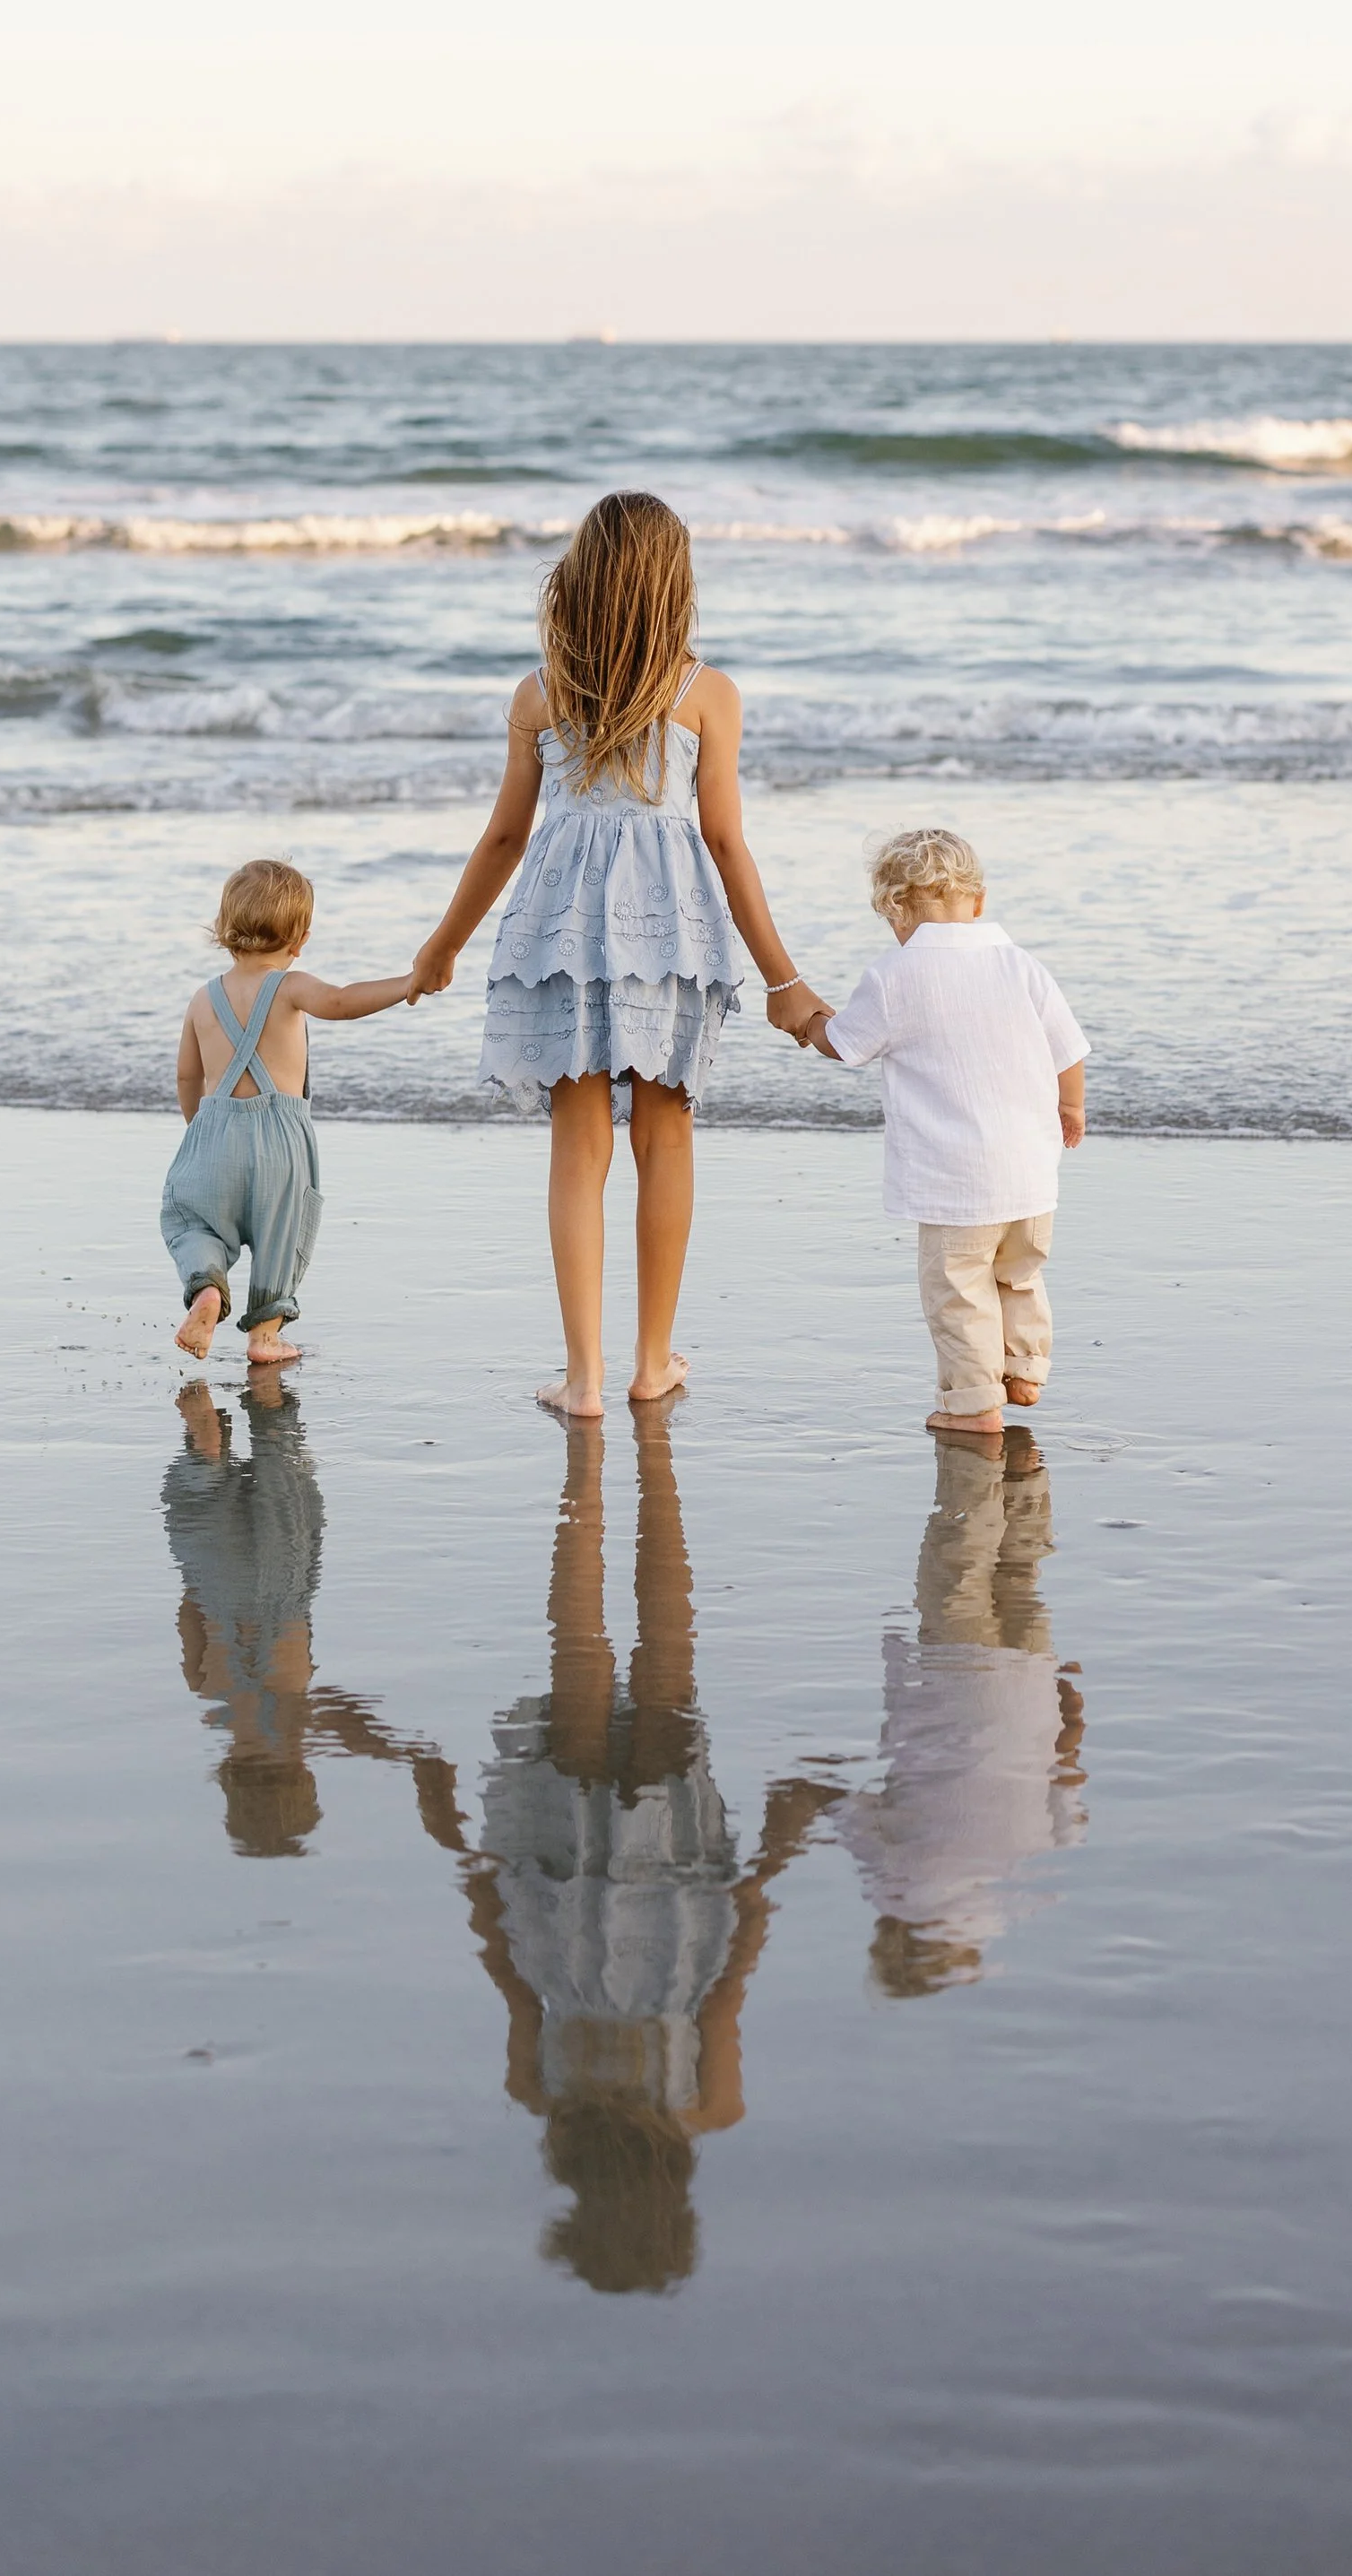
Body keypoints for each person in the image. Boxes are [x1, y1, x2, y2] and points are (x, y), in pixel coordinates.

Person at [409, 490, 826, 1416]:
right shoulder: (706, 693)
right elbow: (724, 842)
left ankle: (586, 1379)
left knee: (578, 1142)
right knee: (666, 1134)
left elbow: (503, 841)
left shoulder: (540, 693)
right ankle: (650, 1363)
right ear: (674, 583)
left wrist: (441, 948)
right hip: (665, 928)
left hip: (560, 922)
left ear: (580, 577)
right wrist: (783, 979)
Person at [457, 1406, 841, 2292]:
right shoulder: (544, 2097)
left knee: (668, 1656)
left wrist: (772, 1856)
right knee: (579, 1652)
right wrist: (477, 1871)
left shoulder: (706, 2106)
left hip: (673, 1874)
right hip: (559, 1871)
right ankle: (593, 1480)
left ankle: (627, 1479)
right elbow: (508, 1971)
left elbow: (733, 1965)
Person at [799, 825, 1088, 1439]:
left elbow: (845, 1045)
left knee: (959, 1291)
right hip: (1032, 1176)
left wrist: (811, 1021)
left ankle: (974, 1404)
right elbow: (1069, 1048)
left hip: (956, 1183)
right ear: (978, 903)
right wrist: (1072, 1108)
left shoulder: (895, 975)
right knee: (1020, 1274)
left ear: (894, 912)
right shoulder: (1022, 965)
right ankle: (1026, 1368)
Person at [163, 1366, 464, 1861]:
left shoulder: (289, 1727)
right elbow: (188, 1614)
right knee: (203, 1467)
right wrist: (200, 1570)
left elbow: (347, 1725)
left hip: (280, 1579)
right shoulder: (210, 1697)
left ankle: (261, 1367)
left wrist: (408, 1754)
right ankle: (204, 1428)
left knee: (278, 1442)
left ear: (303, 1778)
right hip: (215, 1574)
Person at [836, 1437, 1088, 1996]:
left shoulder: (1023, 1887)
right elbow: (844, 1807)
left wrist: (1066, 1697)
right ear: (892, 1937)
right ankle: (980, 1447)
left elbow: (1069, 1765)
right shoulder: (895, 1886)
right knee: (961, 1559)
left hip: (1030, 1678)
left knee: (1020, 1571)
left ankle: (1024, 1467)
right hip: (958, 1666)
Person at [162, 855, 416, 1364]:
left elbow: (188, 1076)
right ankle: (265, 1336)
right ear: (299, 939)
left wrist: (201, 1128)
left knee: (194, 1224)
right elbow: (343, 1001)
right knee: (284, 1232)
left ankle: (207, 1287)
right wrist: (407, 984)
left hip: (212, 1136)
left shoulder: (202, 998)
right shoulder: (291, 986)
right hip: (279, 1140)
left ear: (224, 928)